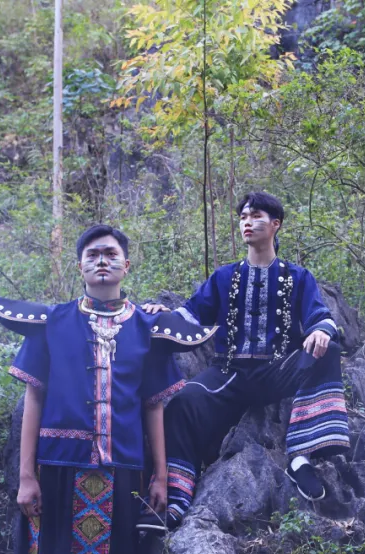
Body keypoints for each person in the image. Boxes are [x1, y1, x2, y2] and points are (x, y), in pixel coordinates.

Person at [0, 225, 215, 554]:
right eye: (93, 254)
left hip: (123, 476)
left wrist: (159, 475)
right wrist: (26, 476)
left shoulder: (146, 330)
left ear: (127, 266)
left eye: (111, 254)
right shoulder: (53, 324)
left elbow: (154, 407)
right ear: (80, 266)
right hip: (57, 473)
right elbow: (33, 398)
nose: (102, 261)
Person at [138, 191, 350, 531]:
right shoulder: (224, 277)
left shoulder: (298, 276)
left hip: (278, 371)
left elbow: (319, 316)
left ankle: (301, 457)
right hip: (229, 374)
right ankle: (175, 501)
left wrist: (321, 331)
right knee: (182, 402)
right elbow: (190, 316)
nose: (247, 223)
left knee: (329, 349)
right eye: (243, 218)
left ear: (276, 224)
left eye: (256, 216)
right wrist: (160, 314)